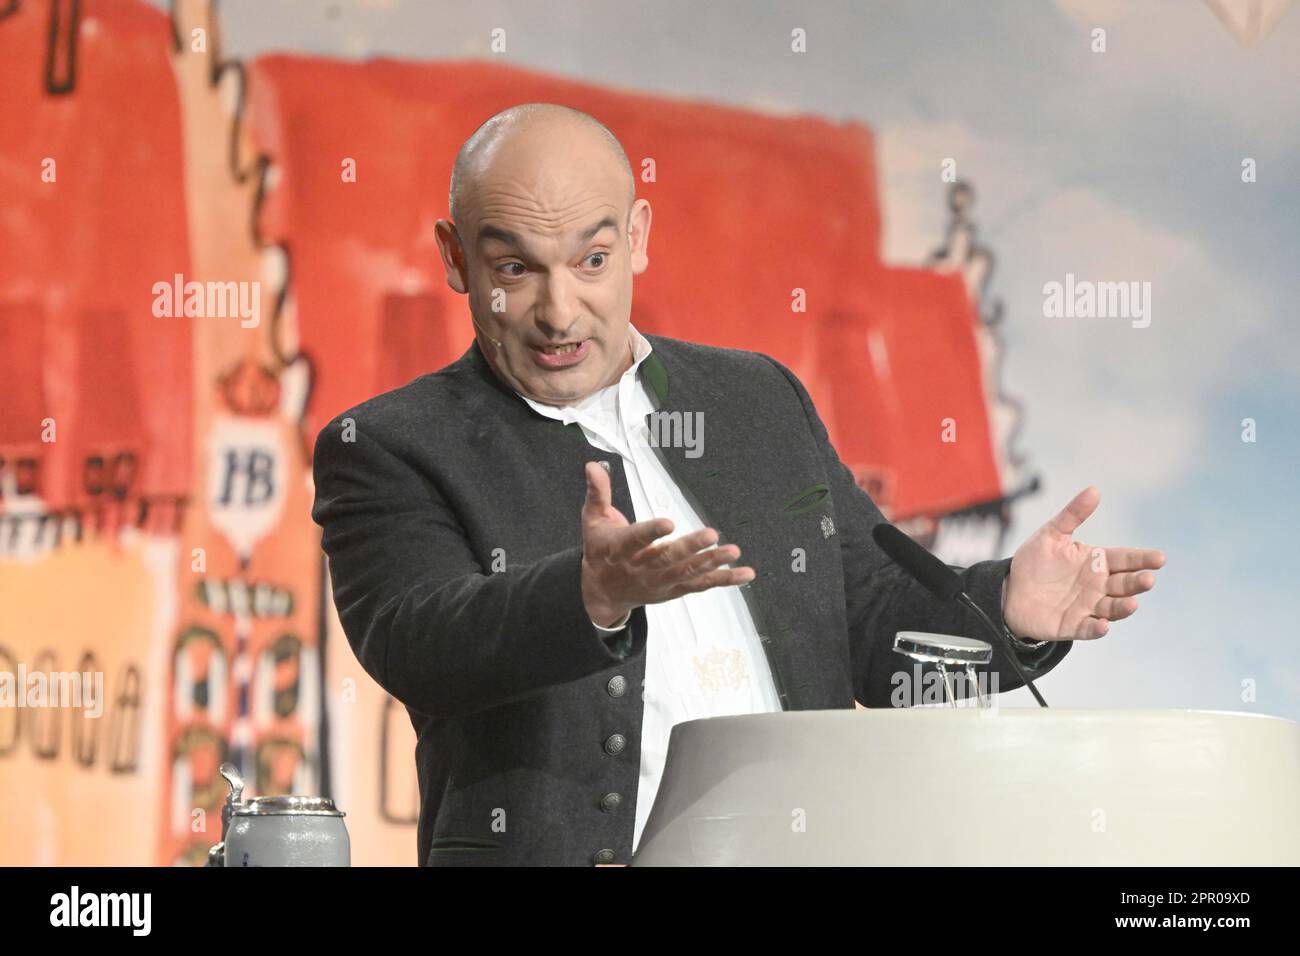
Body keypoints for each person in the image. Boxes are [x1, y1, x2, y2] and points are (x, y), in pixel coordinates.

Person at [311, 102, 1165, 867]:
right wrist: (589, 596)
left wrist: (1007, 606)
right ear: (458, 259)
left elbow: (865, 617)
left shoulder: (757, 399)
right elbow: (422, 642)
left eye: (593, 259)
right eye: (516, 270)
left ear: (639, 237)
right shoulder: (389, 446)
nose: (560, 311)